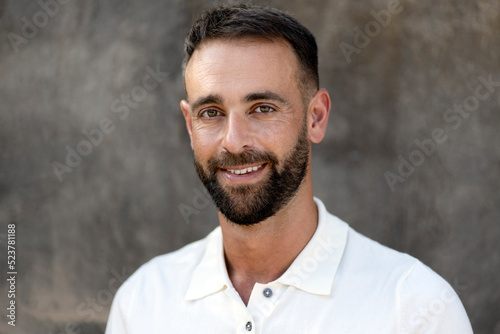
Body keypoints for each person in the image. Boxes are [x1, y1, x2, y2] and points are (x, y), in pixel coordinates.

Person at [105, 5, 472, 333]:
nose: (233, 141)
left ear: (316, 117)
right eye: (211, 113)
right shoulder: (142, 304)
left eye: (262, 108)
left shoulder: (414, 309)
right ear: (189, 125)